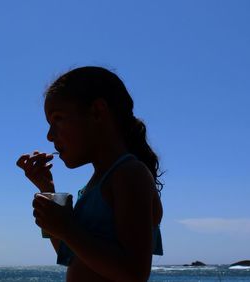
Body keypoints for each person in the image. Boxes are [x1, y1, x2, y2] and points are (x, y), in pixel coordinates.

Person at [16, 66, 163, 281]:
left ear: (97, 112)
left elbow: (134, 273)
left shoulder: (130, 175)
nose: (49, 136)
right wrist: (47, 189)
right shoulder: (98, 183)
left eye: (58, 119)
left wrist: (66, 228)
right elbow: (73, 256)